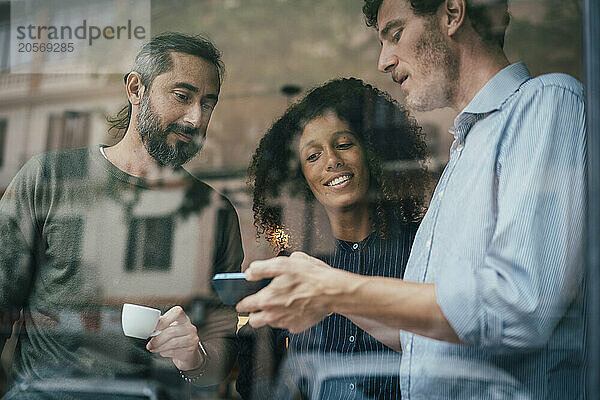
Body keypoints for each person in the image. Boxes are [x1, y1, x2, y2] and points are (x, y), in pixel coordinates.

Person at [237, 0, 587, 399]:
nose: (384, 60)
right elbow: (418, 340)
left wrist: (334, 288)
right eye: (312, 155)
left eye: (396, 34)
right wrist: (325, 294)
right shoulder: (464, 154)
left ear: (452, 14)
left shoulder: (545, 101)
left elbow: (519, 308)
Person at [0, 32, 243, 397]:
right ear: (136, 89)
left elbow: (222, 346)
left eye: (208, 104)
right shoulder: (48, 178)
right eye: (182, 96)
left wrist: (196, 357)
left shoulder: (217, 213)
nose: (195, 119)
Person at [237, 77, 430, 399]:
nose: (331, 160)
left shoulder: (422, 248)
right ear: (299, 178)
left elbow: (442, 347)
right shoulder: (293, 267)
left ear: (373, 153)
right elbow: (257, 383)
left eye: (343, 144)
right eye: (312, 156)